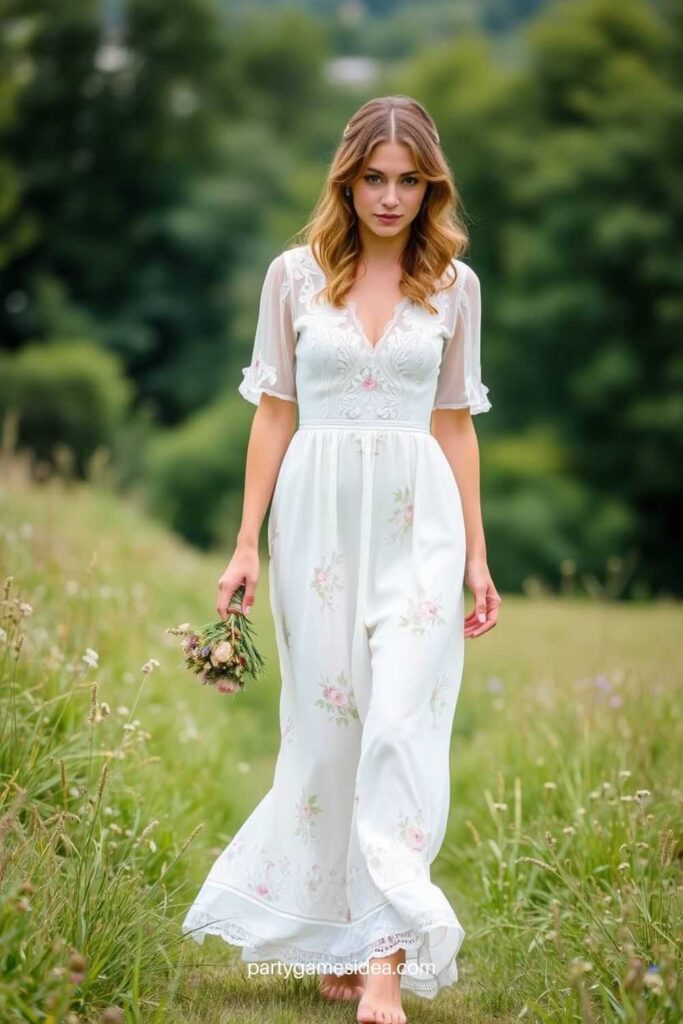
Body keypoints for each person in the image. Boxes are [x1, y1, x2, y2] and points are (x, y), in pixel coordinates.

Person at [181, 94, 501, 1024]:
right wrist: (244, 542)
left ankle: (384, 967)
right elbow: (272, 411)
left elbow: (455, 425)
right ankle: (340, 931)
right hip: (315, 525)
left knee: (400, 725)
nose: (390, 197)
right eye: (374, 178)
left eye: (409, 181)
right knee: (328, 735)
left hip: (420, 525)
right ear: (346, 178)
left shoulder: (454, 286)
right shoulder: (292, 278)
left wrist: (478, 556)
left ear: (429, 185)